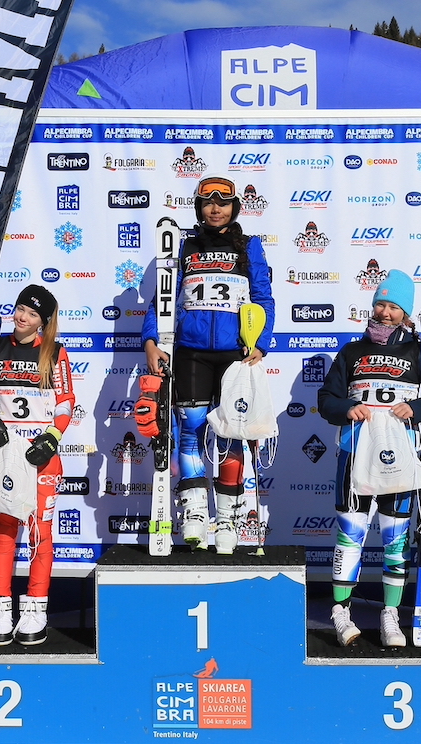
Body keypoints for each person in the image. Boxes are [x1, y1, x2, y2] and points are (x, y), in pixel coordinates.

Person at [317, 270, 421, 647]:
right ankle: (341, 612)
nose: (385, 312)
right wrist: (347, 408)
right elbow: (326, 399)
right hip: (355, 454)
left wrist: (416, 408)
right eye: (380, 304)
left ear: (405, 313)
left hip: (399, 456)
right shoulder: (352, 352)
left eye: (393, 307)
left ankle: (390, 615)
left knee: (395, 540)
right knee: (350, 535)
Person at [142, 176, 275, 555]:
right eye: (208, 202)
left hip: (235, 354)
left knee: (232, 433)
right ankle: (196, 513)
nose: (216, 209)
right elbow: (161, 299)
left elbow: (264, 297)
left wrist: (261, 342)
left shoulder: (249, 246)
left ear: (235, 207)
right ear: (199, 207)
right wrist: (150, 340)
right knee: (191, 431)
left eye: (224, 202)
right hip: (192, 353)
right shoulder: (184, 246)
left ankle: (229, 520)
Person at [0, 285, 74, 646]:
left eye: (32, 314)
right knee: (5, 533)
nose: (22, 317)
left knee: (40, 533)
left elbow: (66, 401)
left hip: (40, 455)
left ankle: (36, 610)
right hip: (3, 455)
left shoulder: (54, 353)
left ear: (43, 322)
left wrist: (52, 436)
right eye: (21, 308)